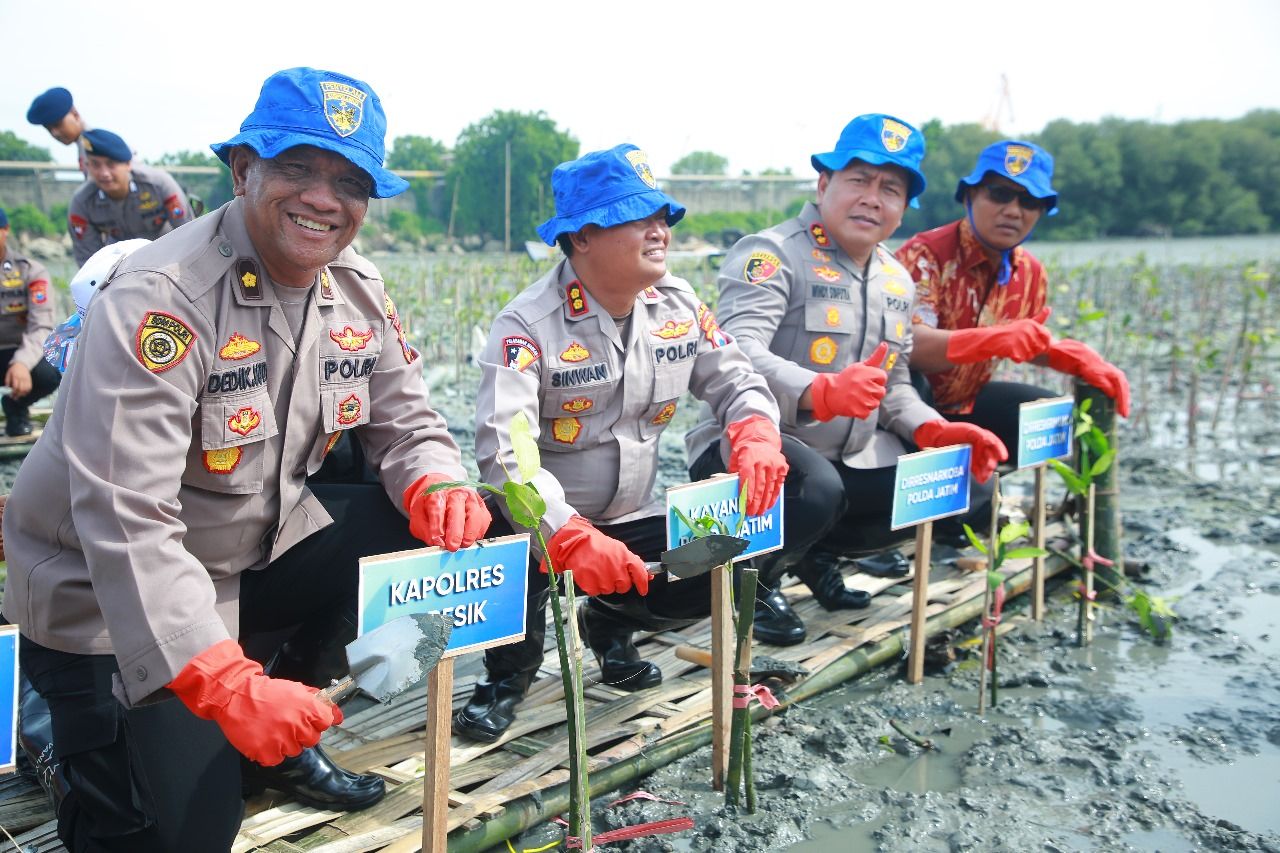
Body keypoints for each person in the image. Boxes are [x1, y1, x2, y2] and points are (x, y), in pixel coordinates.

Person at [1, 67, 492, 851]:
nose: (323, 199)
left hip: (244, 554)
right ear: (242, 170)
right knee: (178, 836)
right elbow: (126, 520)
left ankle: (282, 722)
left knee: (421, 529)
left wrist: (436, 477)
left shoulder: (359, 289)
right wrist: (221, 679)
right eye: (297, 168)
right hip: (100, 592)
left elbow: (409, 422)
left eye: (349, 181)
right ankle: (61, 746)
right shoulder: (162, 300)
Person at [455, 144, 788, 743]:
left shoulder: (679, 305)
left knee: (732, 557)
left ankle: (610, 622)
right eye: (638, 217)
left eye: (663, 216)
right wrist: (568, 534)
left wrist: (756, 432)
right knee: (509, 544)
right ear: (582, 236)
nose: (659, 230)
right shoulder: (526, 325)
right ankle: (508, 676)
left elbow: (737, 379)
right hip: (544, 527)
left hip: (631, 515)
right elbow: (507, 452)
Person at [686, 114, 1007, 645]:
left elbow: (897, 380)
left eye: (891, 188)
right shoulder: (770, 254)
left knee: (966, 480)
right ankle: (757, 584)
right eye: (858, 180)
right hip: (752, 451)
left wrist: (934, 430)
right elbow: (736, 351)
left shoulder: (895, 278)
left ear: (904, 206)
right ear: (824, 184)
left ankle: (814, 556)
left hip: (849, 456)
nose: (872, 199)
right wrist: (820, 391)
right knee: (816, 491)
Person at [896, 139, 1130, 450]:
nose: (1013, 211)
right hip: (905, 406)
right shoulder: (925, 255)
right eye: (1000, 194)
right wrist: (994, 339)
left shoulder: (1031, 273)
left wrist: (1070, 356)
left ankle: (1081, 497)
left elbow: (1022, 341)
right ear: (970, 195)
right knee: (916, 384)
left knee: (1066, 423)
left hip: (967, 403)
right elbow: (908, 346)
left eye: (1029, 201)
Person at [67, 128, 193, 265]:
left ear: (128, 164)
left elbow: (190, 234)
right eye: (95, 165)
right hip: (120, 268)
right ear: (87, 166)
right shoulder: (82, 202)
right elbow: (88, 260)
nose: (104, 173)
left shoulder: (158, 185)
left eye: (111, 164)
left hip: (167, 257)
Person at [0, 208, 61, 436]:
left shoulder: (30, 271)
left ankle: (16, 407)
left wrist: (22, 363)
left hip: (21, 350)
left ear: (5, 231)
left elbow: (41, 326)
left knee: (49, 374)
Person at [26, 86, 90, 172]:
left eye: (57, 125)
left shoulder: (93, 147)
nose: (54, 133)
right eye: (49, 129)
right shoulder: (84, 144)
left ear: (75, 114)